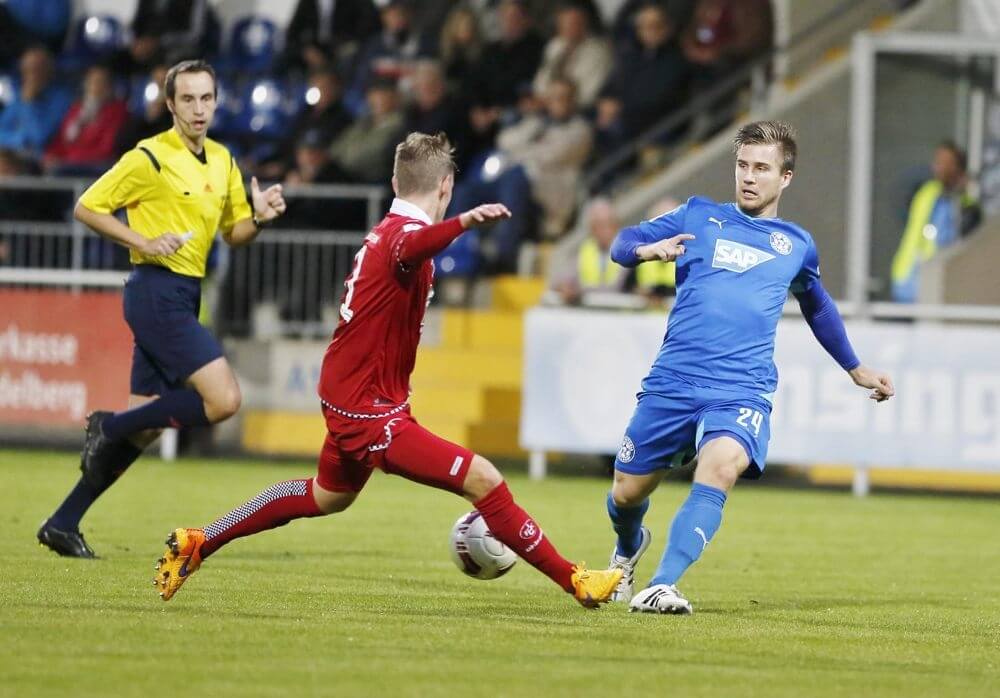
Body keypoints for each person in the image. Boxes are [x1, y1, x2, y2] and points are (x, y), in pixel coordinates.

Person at [152, 132, 624, 609]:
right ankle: (577, 581)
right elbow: (414, 247)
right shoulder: (402, 236)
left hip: (353, 395)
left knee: (328, 496)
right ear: (446, 186)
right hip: (368, 410)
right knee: (483, 477)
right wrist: (463, 222)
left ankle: (201, 540)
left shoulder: (386, 229)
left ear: (395, 182)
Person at [603, 121, 895, 614]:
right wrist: (645, 251)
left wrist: (855, 367)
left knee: (720, 468)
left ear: (786, 177)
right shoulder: (698, 214)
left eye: (762, 168)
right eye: (742, 165)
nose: (749, 177)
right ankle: (627, 547)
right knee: (627, 493)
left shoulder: (796, 245)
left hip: (741, 387)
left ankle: (662, 584)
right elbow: (623, 242)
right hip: (674, 380)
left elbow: (818, 306)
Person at [37, 60, 288, 558]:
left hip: (185, 294)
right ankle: (107, 426)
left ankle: (63, 522)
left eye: (206, 98)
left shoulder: (223, 159)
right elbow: (87, 206)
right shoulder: (149, 157)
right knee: (224, 400)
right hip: (154, 291)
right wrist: (143, 241)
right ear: (170, 104)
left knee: (147, 424)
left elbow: (233, 234)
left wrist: (259, 219)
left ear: (216, 102)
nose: (198, 109)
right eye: (188, 99)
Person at [890, 141, 981, 303]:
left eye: (945, 163)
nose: (938, 167)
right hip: (907, 280)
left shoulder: (965, 206)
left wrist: (960, 189)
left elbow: (964, 231)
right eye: (937, 161)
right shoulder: (927, 192)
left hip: (938, 286)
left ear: (958, 168)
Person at [43, 64, 129, 175]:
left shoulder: (117, 112)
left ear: (109, 87)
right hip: (69, 164)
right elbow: (61, 141)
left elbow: (107, 149)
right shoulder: (76, 109)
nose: (95, 87)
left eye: (100, 82)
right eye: (91, 82)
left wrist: (69, 159)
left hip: (96, 168)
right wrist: (51, 156)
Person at [0, 46, 72, 160]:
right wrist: (19, 139)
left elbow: (40, 138)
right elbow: (2, 130)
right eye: (26, 69)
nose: (30, 75)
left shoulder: (61, 99)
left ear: (48, 71)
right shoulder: (19, 95)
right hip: (13, 154)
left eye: (36, 69)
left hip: (40, 160)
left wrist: (29, 103)